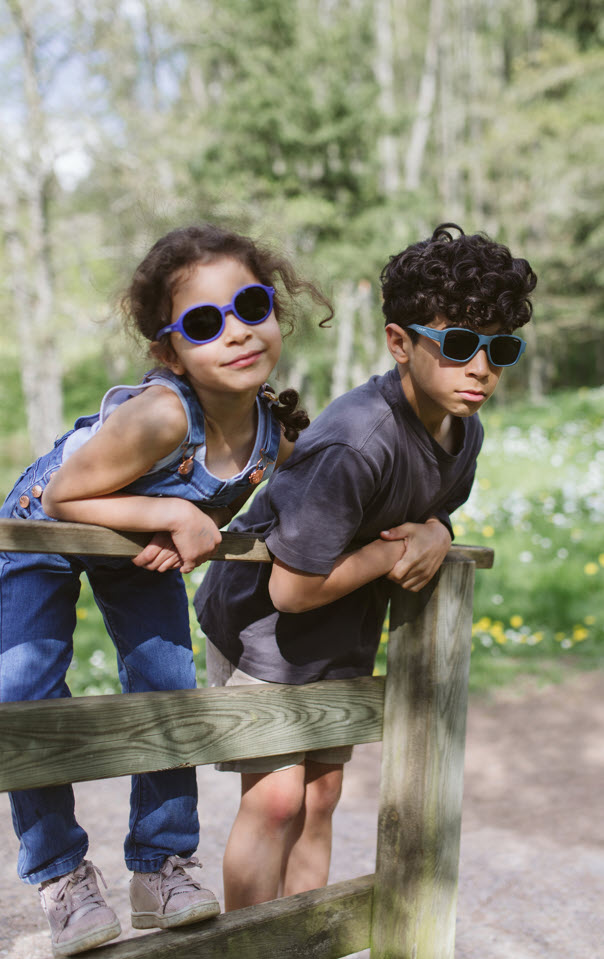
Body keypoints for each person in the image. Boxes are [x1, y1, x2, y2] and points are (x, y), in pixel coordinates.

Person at [0, 222, 330, 956]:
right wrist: (173, 510)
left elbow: (323, 499)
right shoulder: (159, 413)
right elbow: (61, 497)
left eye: (252, 305)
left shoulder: (273, 431)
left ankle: (162, 863)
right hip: (44, 530)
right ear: (168, 348)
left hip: (135, 547)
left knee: (167, 685)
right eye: (206, 322)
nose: (238, 332)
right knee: (24, 688)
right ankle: (61, 875)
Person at [194, 222, 537, 910]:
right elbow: (289, 588)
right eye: (461, 344)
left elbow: (427, 511)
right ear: (399, 342)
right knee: (277, 799)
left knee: (321, 795)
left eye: (500, 350)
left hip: (342, 627)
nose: (481, 368)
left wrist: (437, 530)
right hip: (262, 626)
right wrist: (392, 551)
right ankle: (247, 946)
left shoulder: (462, 431)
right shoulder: (358, 440)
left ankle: (302, 940)